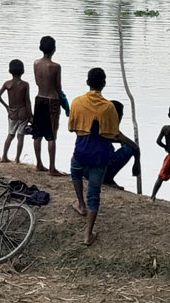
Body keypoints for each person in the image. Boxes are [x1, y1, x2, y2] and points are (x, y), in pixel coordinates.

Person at [68, 68, 125, 246]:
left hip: (81, 150)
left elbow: (72, 128)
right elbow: (113, 133)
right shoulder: (109, 107)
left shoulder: (77, 102)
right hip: (100, 155)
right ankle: (88, 234)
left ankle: (80, 204)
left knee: (75, 172)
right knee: (94, 193)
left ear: (87, 82)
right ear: (104, 83)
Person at [32, 36, 64, 176]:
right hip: (52, 100)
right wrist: (63, 101)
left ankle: (39, 163)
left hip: (39, 98)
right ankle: (52, 167)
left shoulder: (36, 64)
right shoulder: (55, 67)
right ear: (53, 49)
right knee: (51, 135)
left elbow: (37, 82)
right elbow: (58, 86)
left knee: (37, 133)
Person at [0, 59, 32, 164]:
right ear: (23, 71)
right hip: (22, 112)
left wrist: (6, 106)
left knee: (10, 134)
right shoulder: (25, 84)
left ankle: (4, 156)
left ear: (10, 71)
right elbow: (27, 101)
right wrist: (30, 114)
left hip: (12, 112)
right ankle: (17, 159)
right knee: (20, 136)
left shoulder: (7, 84)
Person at [102, 100, 141, 188]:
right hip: (100, 167)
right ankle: (107, 179)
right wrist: (137, 162)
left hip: (87, 167)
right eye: (121, 115)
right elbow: (135, 147)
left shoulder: (100, 125)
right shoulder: (112, 130)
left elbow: (113, 139)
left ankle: (107, 177)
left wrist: (121, 141)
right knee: (129, 148)